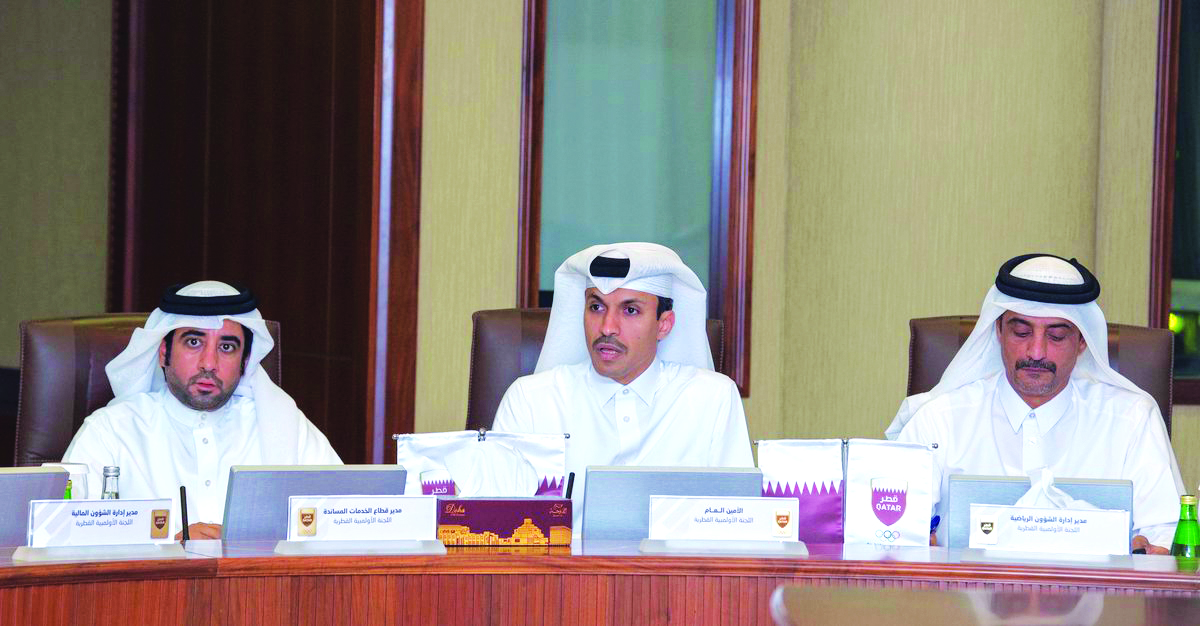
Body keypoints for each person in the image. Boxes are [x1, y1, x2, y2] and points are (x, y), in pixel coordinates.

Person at [886, 254, 1184, 551]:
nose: (1037, 351)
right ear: (999, 332)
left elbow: (1164, 537)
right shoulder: (939, 420)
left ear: (1082, 342)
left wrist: (1150, 550)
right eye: (1021, 332)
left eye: (1056, 336)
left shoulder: (1131, 421)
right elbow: (890, 531)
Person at [492, 242, 754, 527]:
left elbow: (738, 524)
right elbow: (496, 525)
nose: (607, 327)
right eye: (596, 307)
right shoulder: (531, 400)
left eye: (630, 310)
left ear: (664, 324)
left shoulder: (712, 398)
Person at [63, 281, 341, 539]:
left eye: (227, 347)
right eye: (194, 342)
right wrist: (166, 547)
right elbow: (60, 531)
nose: (209, 362)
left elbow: (341, 520)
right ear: (163, 352)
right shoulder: (111, 431)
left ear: (245, 361)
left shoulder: (284, 426)